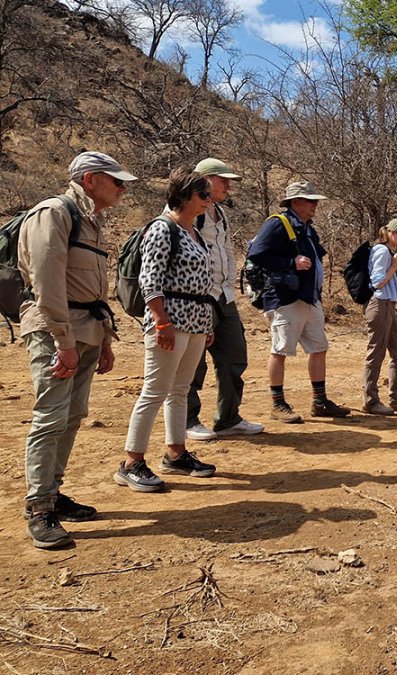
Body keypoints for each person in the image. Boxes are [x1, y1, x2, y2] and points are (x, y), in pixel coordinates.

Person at [17, 151, 136, 548]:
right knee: (51, 417)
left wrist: (103, 341)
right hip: (57, 332)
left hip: (86, 331)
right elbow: (47, 285)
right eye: (115, 180)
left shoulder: (92, 220)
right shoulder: (53, 213)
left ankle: (53, 492)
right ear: (89, 180)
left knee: (72, 415)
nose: (122, 187)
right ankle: (39, 507)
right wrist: (63, 343)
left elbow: (91, 291)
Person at [115, 168, 217, 492]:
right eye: (204, 194)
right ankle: (131, 462)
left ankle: (176, 453)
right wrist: (161, 321)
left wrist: (206, 322)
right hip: (170, 321)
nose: (209, 200)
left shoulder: (194, 232)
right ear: (185, 195)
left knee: (180, 389)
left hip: (196, 321)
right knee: (154, 390)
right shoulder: (163, 229)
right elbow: (150, 280)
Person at [247, 181, 350, 424]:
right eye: (310, 200)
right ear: (296, 202)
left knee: (319, 348)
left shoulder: (306, 227)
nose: (315, 205)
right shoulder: (277, 223)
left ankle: (320, 401)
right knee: (281, 350)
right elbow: (256, 254)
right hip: (285, 298)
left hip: (308, 298)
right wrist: (290, 263)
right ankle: (278, 404)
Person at [184, 158, 264, 441]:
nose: (228, 186)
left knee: (234, 356)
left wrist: (228, 285)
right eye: (223, 180)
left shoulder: (219, 212)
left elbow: (227, 250)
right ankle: (187, 420)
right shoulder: (188, 211)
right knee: (193, 362)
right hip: (196, 297)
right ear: (203, 180)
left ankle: (228, 418)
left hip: (223, 297)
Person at [362, 218, 397, 415]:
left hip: (387, 305)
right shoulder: (381, 251)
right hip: (379, 304)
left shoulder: (388, 252)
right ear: (393, 234)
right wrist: (394, 267)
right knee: (376, 352)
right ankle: (370, 400)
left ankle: (396, 397)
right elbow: (377, 282)